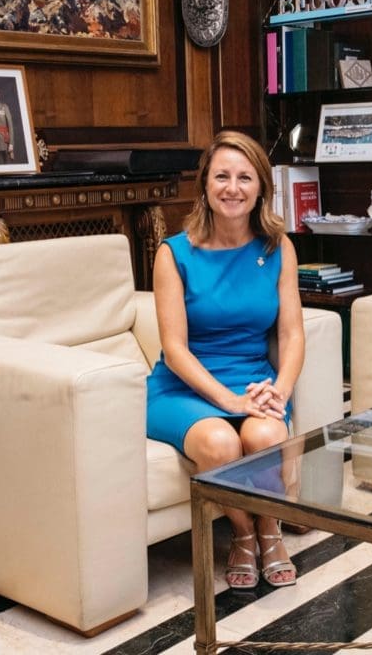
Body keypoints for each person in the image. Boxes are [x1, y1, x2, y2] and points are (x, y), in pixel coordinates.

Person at [147, 130, 304, 588]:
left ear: (260, 188)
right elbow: (175, 349)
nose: (232, 188)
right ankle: (243, 533)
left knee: (266, 433)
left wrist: (280, 392)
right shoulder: (173, 253)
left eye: (244, 177)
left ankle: (270, 528)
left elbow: (292, 334)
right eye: (222, 177)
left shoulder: (278, 248)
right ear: (205, 185)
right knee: (220, 443)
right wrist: (229, 401)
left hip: (254, 378)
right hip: (183, 387)